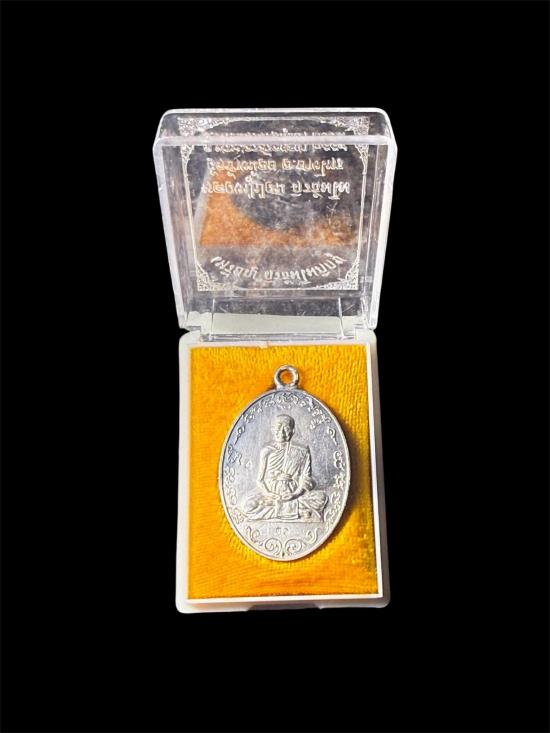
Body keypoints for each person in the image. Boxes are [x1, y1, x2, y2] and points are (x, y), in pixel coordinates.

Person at [243, 414, 328, 521]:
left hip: (294, 493)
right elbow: (260, 480)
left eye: (286, 429)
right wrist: (269, 494)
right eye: (278, 428)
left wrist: (295, 494)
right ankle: (298, 511)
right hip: (272, 494)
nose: (282, 433)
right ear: (272, 430)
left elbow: (307, 478)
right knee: (247, 506)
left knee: (321, 498)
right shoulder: (267, 451)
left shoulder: (302, 451)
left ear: (292, 431)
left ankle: (277, 509)